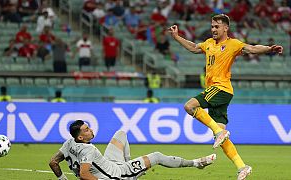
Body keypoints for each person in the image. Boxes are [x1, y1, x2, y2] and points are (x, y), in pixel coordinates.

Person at [168, 14, 283, 180]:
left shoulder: (233, 44)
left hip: (221, 88)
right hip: (217, 91)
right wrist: (177, 37)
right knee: (220, 136)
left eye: (217, 26)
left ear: (225, 28)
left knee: (189, 106)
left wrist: (269, 49)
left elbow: (251, 48)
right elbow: (194, 48)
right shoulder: (208, 43)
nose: (213, 29)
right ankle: (242, 166)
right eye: (212, 26)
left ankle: (218, 132)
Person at [49, 120, 216, 180]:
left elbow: (53, 162)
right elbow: (85, 175)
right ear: (80, 138)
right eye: (86, 130)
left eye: (88, 127)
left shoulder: (68, 143)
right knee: (156, 155)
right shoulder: (88, 150)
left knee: (121, 134)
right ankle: (196, 163)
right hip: (117, 174)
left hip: (110, 164)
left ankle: (131, 167)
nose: (90, 130)